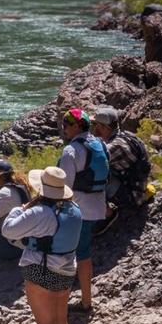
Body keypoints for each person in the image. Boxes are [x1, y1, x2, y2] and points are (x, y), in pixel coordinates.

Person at [1, 167, 82, 324]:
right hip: (66, 273)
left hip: (40, 272)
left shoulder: (39, 212)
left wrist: (17, 209)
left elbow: (8, 230)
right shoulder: (75, 209)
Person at [57, 108, 109, 313]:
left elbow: (65, 187)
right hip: (97, 208)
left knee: (70, 253)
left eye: (66, 125)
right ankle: (84, 299)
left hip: (78, 210)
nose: (63, 129)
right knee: (83, 252)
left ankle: (70, 299)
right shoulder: (100, 144)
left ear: (77, 126)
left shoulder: (71, 150)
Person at [89, 107, 152, 227]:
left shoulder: (116, 147)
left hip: (132, 197)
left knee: (91, 176)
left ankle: (107, 213)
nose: (93, 128)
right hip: (134, 188)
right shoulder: (124, 136)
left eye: (95, 124)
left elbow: (90, 162)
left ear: (103, 127)